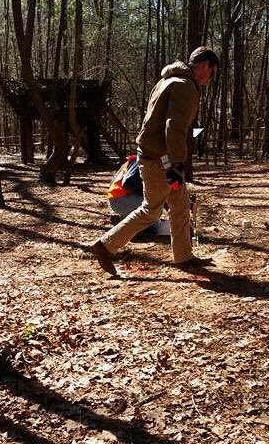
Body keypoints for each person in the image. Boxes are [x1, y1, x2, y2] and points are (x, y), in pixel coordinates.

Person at [92, 46, 220, 277]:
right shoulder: (183, 86)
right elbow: (174, 127)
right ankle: (105, 246)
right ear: (205, 65)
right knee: (152, 210)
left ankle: (184, 257)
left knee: (179, 204)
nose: (210, 79)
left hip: (159, 156)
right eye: (211, 73)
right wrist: (177, 164)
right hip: (161, 159)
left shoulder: (167, 81)